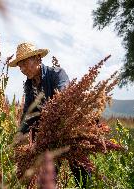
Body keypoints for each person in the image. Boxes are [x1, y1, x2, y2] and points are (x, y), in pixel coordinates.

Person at [9, 42, 90, 188]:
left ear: (38, 58)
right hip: (49, 135)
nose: (22, 69)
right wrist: (20, 132)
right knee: (48, 176)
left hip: (69, 130)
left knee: (81, 174)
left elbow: (63, 100)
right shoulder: (29, 85)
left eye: (25, 63)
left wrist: (47, 117)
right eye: (20, 66)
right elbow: (29, 112)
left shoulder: (57, 74)